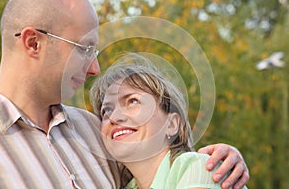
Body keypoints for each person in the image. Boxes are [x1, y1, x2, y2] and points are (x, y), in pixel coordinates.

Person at [0, 0, 248, 188]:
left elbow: (164, 165)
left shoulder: (93, 130)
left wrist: (222, 159)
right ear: (33, 43)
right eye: (84, 49)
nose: (94, 69)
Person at [90, 54, 248, 189]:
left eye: (132, 101)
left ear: (172, 124)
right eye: (107, 110)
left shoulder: (199, 166)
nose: (114, 117)